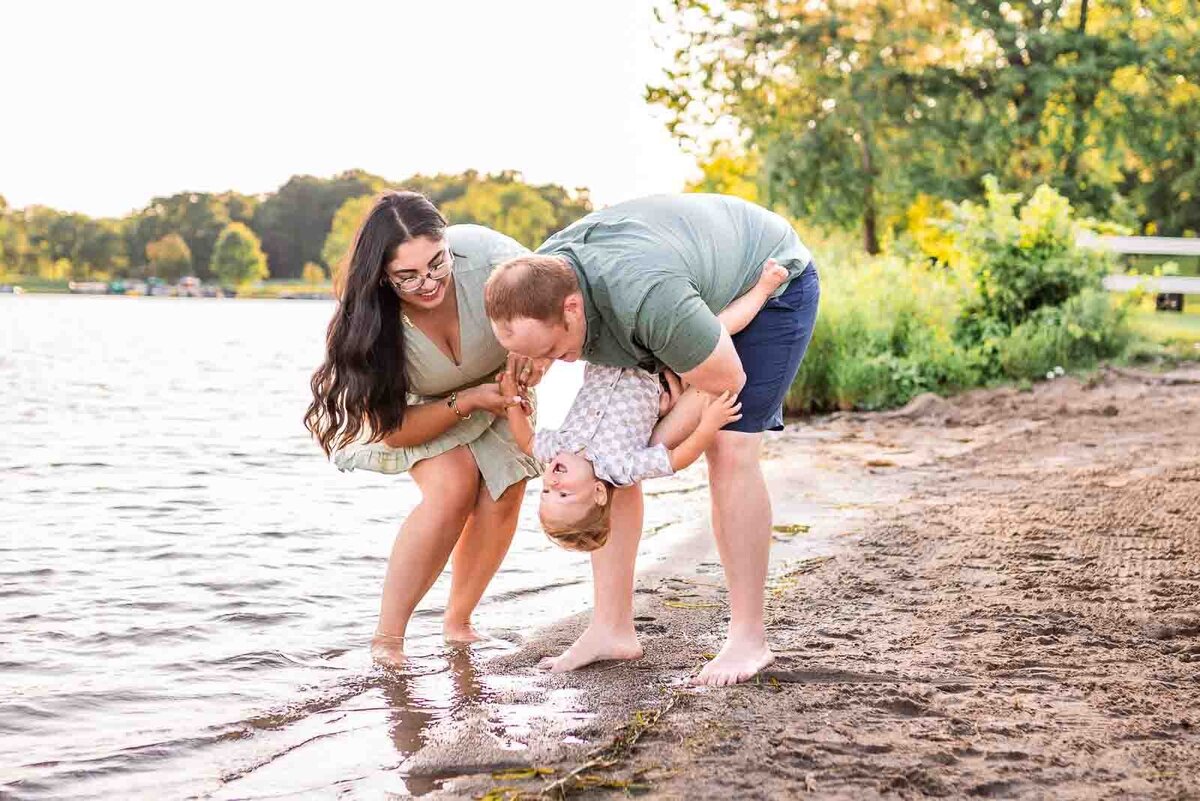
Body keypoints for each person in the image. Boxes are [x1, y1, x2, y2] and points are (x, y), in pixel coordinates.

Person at [484, 193, 820, 686]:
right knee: (602, 468)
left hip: (768, 277)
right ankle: (612, 629)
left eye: (558, 349)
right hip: (684, 297)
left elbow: (727, 379)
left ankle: (749, 637)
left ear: (573, 309)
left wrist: (669, 404)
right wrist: (531, 362)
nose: (563, 361)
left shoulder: (644, 298)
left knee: (728, 446)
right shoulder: (543, 276)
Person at [305, 191, 546, 665]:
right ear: (382, 275)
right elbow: (393, 430)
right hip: (417, 406)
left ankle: (459, 624)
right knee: (454, 487)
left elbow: (555, 299)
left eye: (437, 264)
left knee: (504, 489)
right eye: (407, 277)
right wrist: (467, 400)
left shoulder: (489, 257)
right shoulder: (370, 320)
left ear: (447, 243)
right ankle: (388, 641)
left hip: (499, 387)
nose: (428, 283)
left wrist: (536, 357)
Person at [498, 262, 789, 551]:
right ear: (598, 492)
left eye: (546, 491)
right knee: (717, 329)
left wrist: (512, 399)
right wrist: (708, 424)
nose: (553, 483)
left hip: (610, 349)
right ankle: (763, 290)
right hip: (653, 362)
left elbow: (526, 440)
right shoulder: (622, 470)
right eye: (563, 496)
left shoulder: (557, 448)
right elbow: (677, 459)